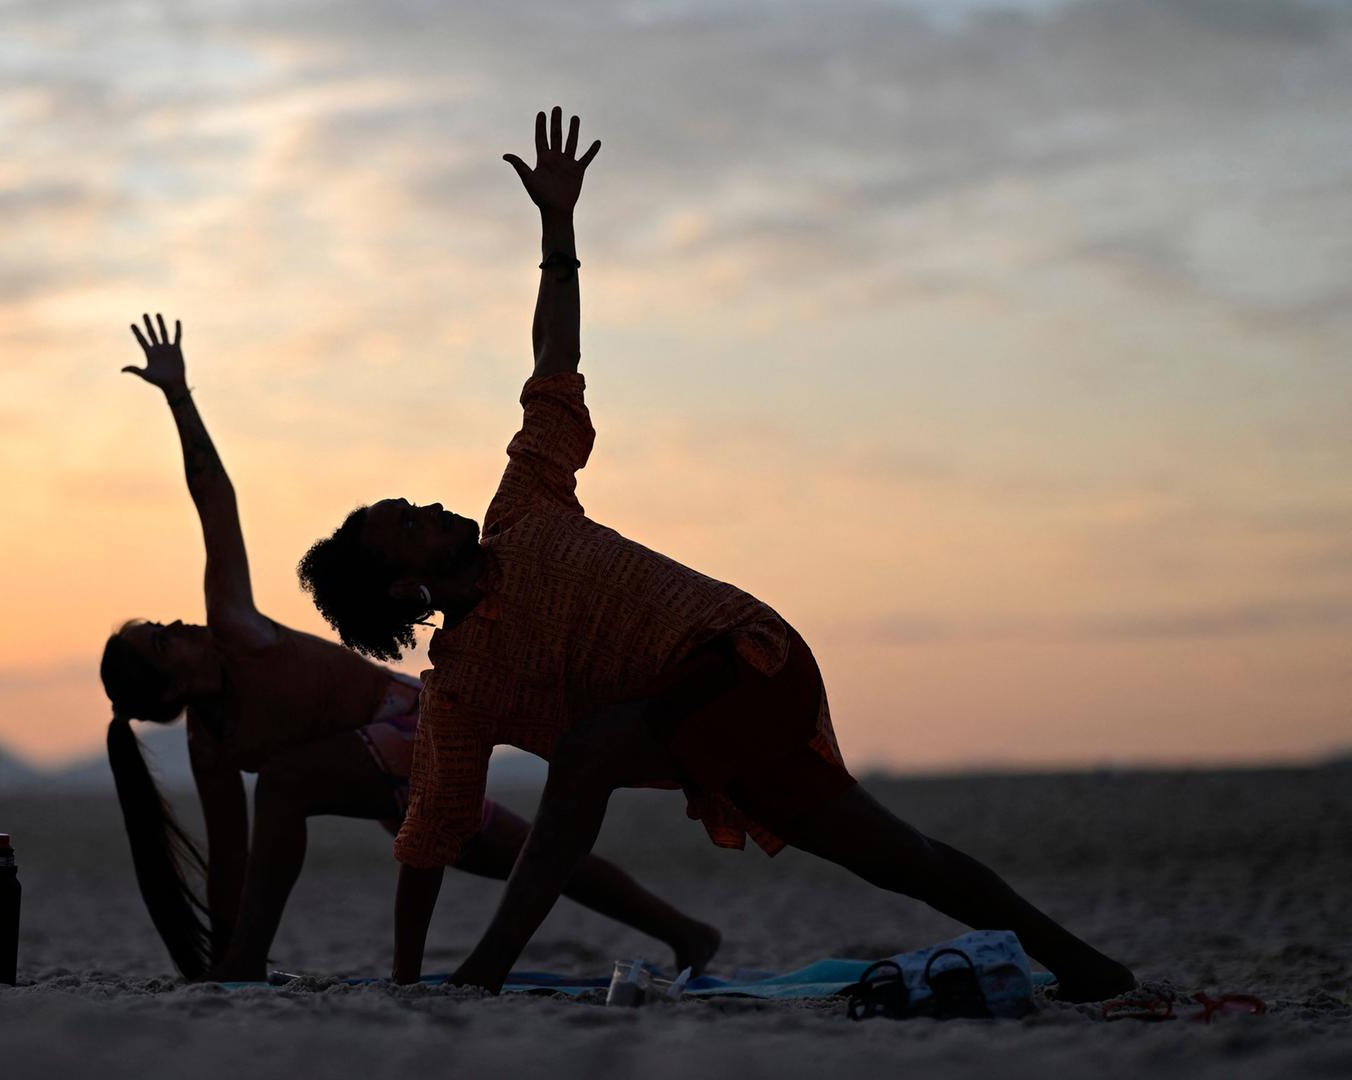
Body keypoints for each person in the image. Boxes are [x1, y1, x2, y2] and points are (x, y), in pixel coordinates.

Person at [298, 107, 1138, 1002]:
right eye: (409, 523)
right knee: (898, 858)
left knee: (587, 753)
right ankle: (1090, 968)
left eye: (413, 504)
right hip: (696, 726)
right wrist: (402, 981)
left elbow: (554, 363)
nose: (430, 506)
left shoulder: (524, 507)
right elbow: (431, 833)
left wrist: (558, 227)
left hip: (748, 659)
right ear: (406, 586)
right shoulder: (463, 688)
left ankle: (484, 974)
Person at [105, 313, 722, 982]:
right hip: (381, 763)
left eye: (164, 623)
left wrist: (179, 397)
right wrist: (215, 965)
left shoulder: (236, 632)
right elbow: (231, 861)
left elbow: (214, 501)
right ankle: (688, 934)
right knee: (529, 856)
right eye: (164, 642)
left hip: (411, 722)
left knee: (288, 784)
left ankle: (250, 963)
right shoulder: (211, 745)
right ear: (170, 691)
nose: (181, 626)